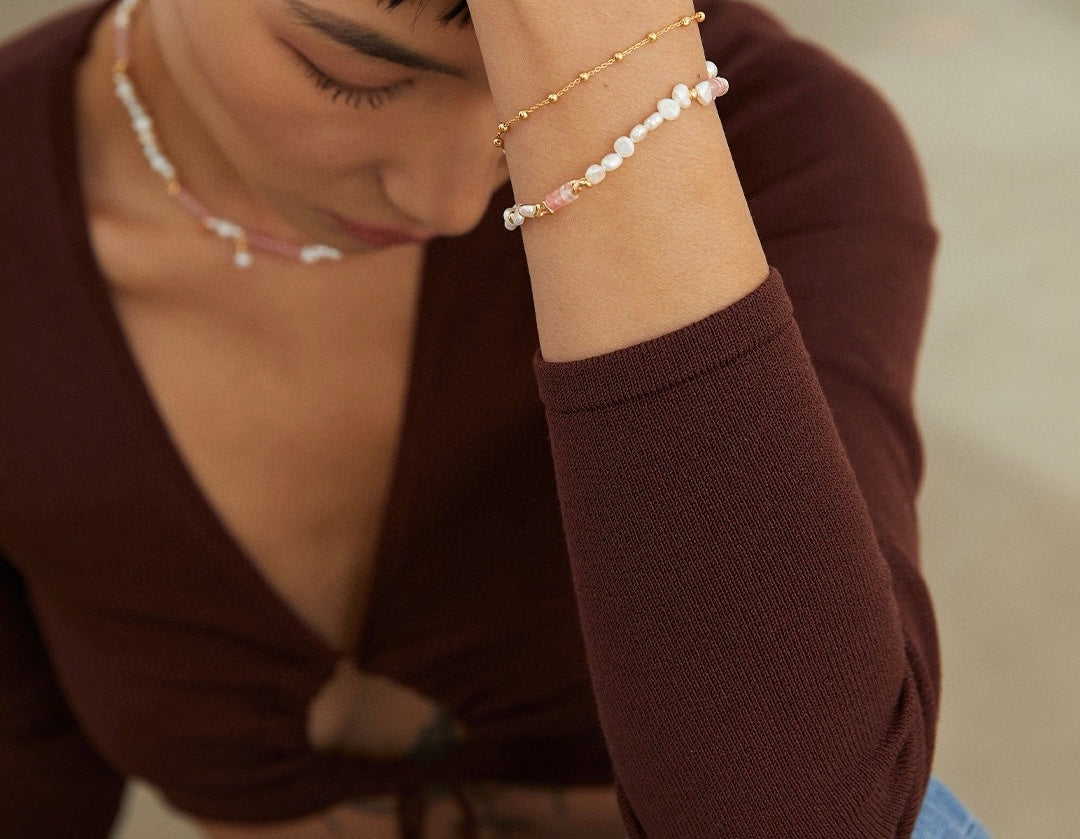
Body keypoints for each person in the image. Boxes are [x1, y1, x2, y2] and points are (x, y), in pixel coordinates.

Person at [0, 0, 991, 837]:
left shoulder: (779, 146)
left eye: (525, 109)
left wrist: (611, 103)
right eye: (356, 76)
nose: (450, 198)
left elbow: (803, 814)